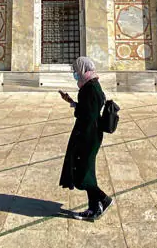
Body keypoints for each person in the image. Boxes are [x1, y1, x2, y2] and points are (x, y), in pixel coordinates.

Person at [58, 56, 114, 221]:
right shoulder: (93, 85)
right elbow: (89, 108)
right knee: (87, 169)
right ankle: (93, 207)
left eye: (76, 69)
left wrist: (78, 111)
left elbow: (87, 115)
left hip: (87, 134)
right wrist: (72, 102)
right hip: (91, 132)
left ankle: (103, 198)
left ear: (83, 69)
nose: (75, 73)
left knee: (82, 173)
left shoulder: (89, 88)